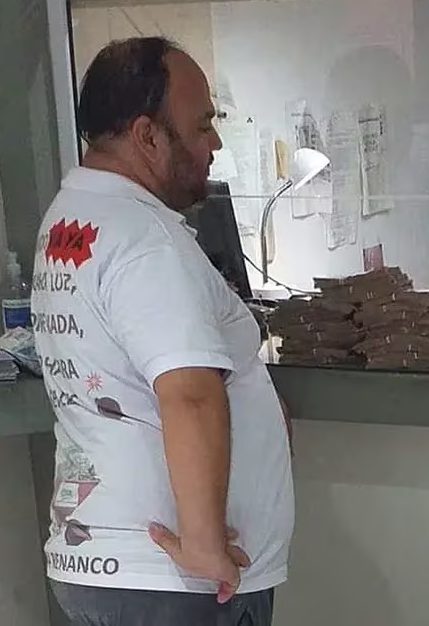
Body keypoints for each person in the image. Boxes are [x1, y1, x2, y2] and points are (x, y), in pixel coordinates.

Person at [32, 37, 293, 625]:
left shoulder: (73, 219)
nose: (215, 143)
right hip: (171, 582)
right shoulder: (145, 240)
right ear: (147, 136)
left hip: (109, 562)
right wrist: (203, 542)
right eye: (202, 126)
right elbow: (189, 393)